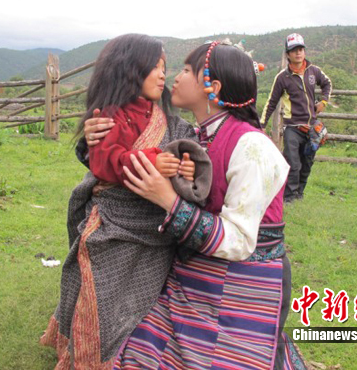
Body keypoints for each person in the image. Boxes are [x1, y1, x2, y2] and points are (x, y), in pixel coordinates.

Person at [83, 41, 308, 369]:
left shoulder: (253, 147)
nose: (174, 76)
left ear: (212, 87)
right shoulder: (194, 133)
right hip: (194, 274)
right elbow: (128, 149)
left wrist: (168, 199)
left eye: (187, 70)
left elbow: (240, 241)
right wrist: (94, 137)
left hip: (246, 280)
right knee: (140, 354)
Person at [40, 34, 206, 370]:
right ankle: (91, 354)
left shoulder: (171, 121)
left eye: (165, 67)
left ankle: (133, 353)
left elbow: (182, 158)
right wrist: (152, 160)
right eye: (155, 67)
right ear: (131, 70)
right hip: (116, 221)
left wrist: (187, 168)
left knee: (140, 304)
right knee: (101, 294)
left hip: (156, 230)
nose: (164, 74)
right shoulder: (109, 117)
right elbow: (105, 161)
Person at [261, 33, 332, 203]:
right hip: (292, 127)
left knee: (307, 162)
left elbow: (327, 83)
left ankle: (300, 193)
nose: (298, 53)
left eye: (300, 49)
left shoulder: (314, 71)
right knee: (292, 162)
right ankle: (289, 197)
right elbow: (271, 101)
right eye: (294, 50)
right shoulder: (282, 77)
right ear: (288, 54)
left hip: (312, 127)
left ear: (304, 51)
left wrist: (324, 101)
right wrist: (261, 124)